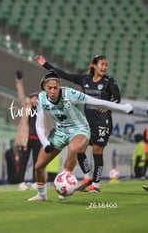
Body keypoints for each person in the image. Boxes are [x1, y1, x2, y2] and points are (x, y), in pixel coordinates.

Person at [28, 70, 133, 201]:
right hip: (60, 132)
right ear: (44, 87)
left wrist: (122, 107)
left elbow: (96, 102)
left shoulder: (70, 94)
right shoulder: (42, 98)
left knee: (73, 148)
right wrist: (45, 143)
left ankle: (64, 185)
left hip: (79, 129)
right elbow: (39, 125)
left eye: (56, 87)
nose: (53, 91)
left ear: (59, 86)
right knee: (39, 166)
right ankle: (42, 195)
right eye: (50, 88)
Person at [36, 54, 121, 193]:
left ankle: (96, 184)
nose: (105, 67)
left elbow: (117, 99)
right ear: (93, 65)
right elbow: (63, 75)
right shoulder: (85, 79)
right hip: (88, 120)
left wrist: (109, 106)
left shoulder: (109, 81)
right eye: (102, 64)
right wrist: (45, 64)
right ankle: (87, 177)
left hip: (102, 121)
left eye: (106, 65)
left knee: (96, 152)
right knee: (80, 150)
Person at [13, 70, 42, 191]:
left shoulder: (42, 108)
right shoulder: (26, 106)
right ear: (30, 99)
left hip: (38, 138)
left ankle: (36, 182)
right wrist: (19, 81)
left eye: (36, 98)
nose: (35, 100)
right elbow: (20, 95)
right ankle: (21, 183)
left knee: (37, 162)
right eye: (33, 98)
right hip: (26, 138)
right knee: (23, 161)